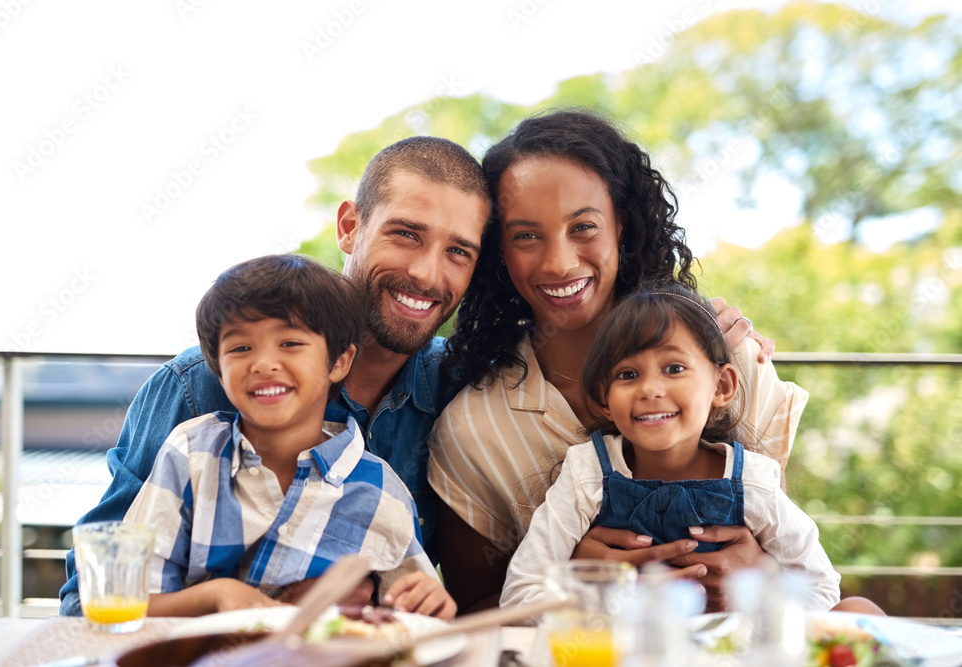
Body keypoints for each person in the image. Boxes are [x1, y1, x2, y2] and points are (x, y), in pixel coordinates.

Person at [60, 136, 490, 615]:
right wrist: (259, 606)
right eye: (406, 234)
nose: (428, 274)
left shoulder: (463, 393)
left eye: (458, 252)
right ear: (350, 227)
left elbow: (426, 609)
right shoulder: (196, 389)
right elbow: (89, 604)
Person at [428, 110, 808, 613]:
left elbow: (804, 567)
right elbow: (468, 615)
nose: (559, 262)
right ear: (499, 251)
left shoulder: (732, 361)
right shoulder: (473, 431)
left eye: (583, 226)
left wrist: (763, 576)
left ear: (622, 226)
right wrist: (571, 584)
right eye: (526, 236)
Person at [125, 254, 454, 618]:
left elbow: (412, 624)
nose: (264, 363)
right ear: (218, 372)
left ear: (339, 362)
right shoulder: (190, 455)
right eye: (240, 348)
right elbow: (128, 602)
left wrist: (429, 604)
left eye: (290, 344)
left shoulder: (383, 495)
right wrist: (217, 595)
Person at [501, 284, 849, 612]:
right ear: (604, 398)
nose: (650, 389)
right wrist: (611, 602)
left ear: (722, 386)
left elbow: (822, 591)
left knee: (859, 609)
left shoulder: (754, 481)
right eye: (627, 375)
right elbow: (521, 594)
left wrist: (753, 600)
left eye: (674, 368)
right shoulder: (587, 473)